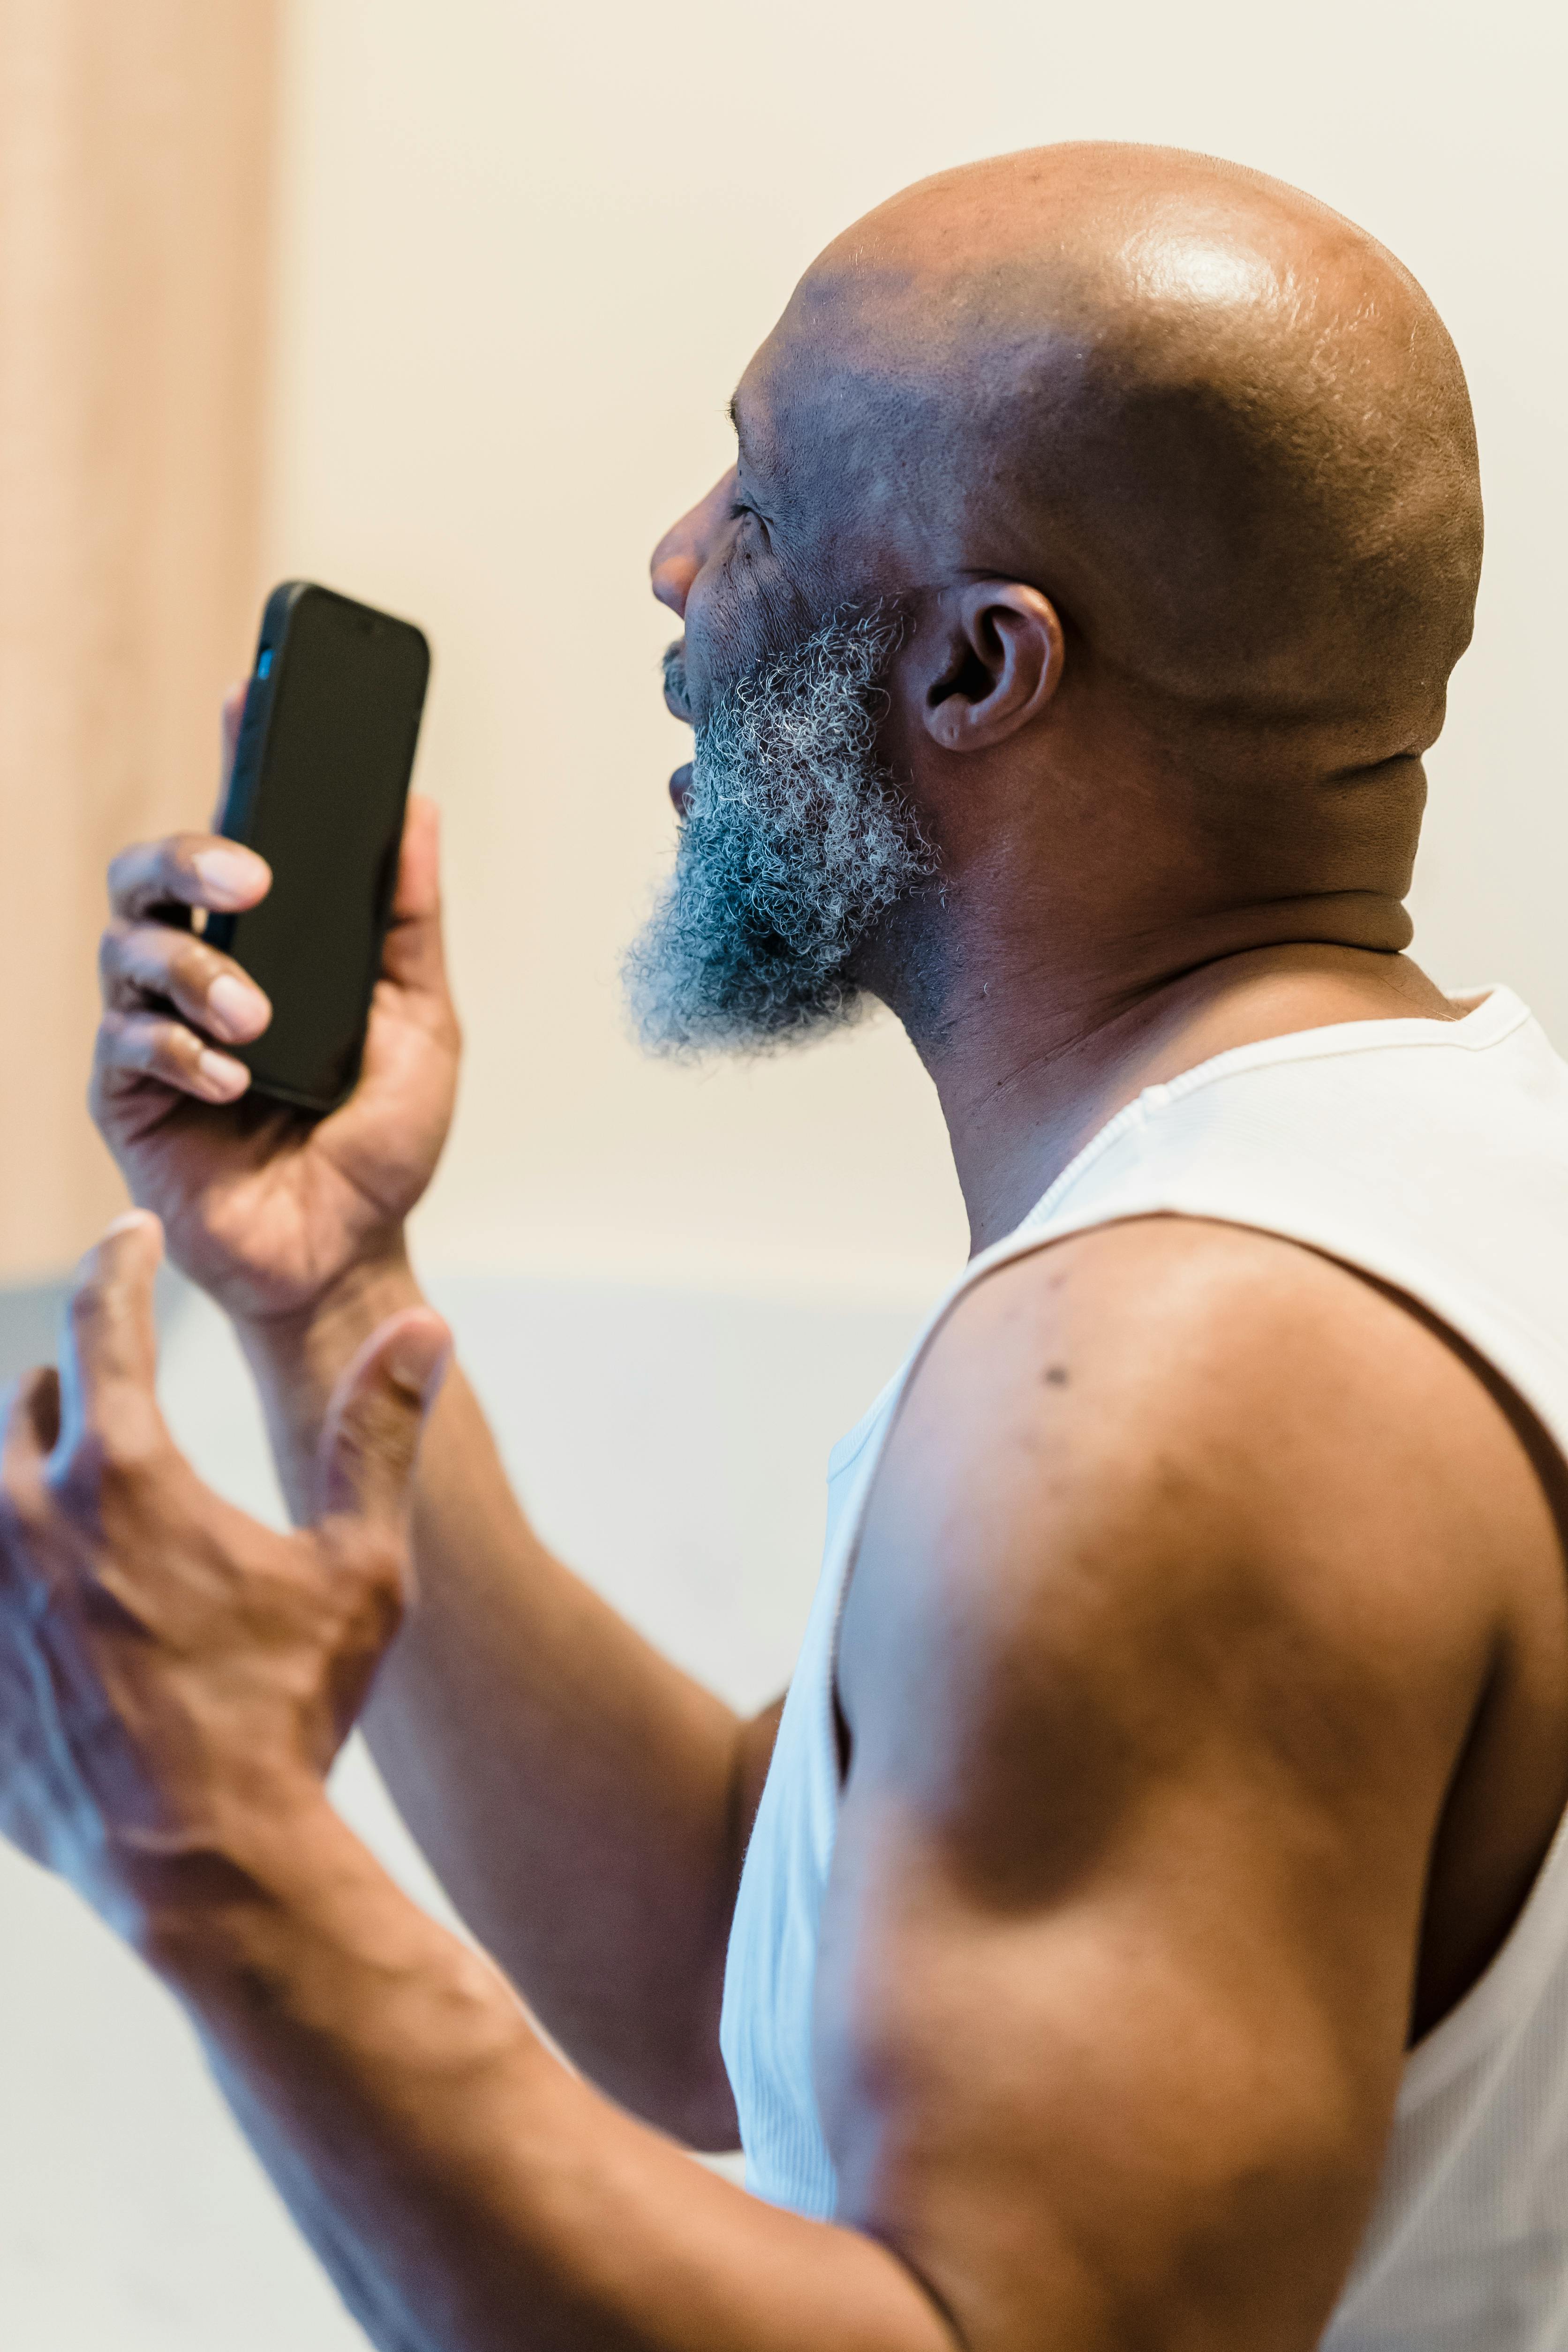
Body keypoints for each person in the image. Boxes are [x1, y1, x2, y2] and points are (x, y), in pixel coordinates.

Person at [0, 138, 1562, 2351]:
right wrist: (327, 1291)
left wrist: (211, 1856)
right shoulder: (1412, 1186)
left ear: (973, 671)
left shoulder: (1187, 1379)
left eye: (746, 500)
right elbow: (725, 1968)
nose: (667, 568)